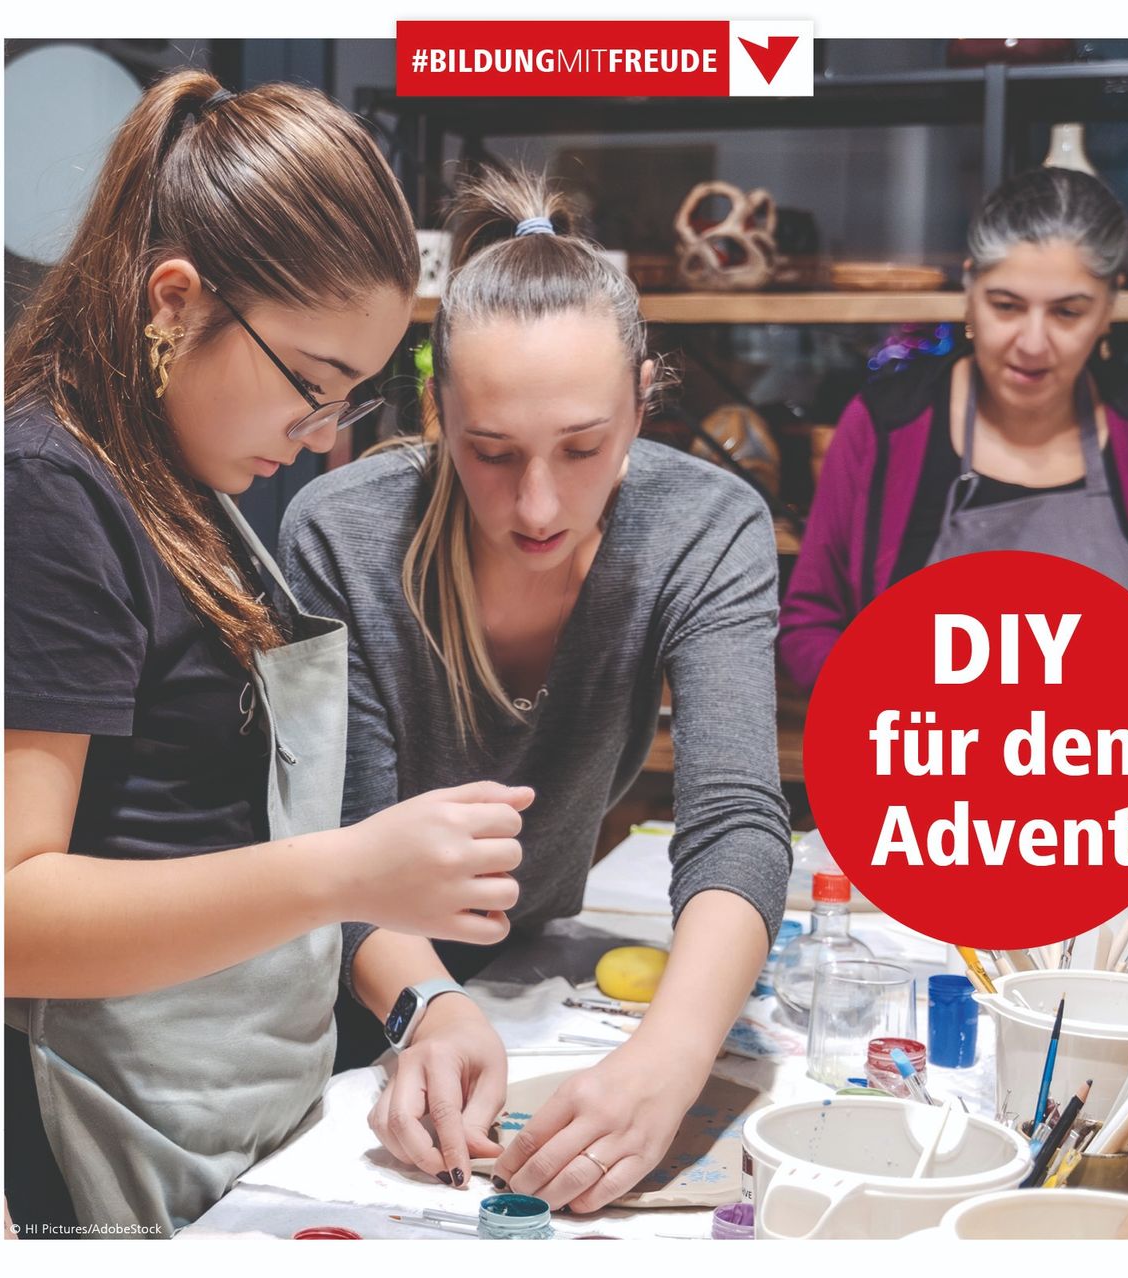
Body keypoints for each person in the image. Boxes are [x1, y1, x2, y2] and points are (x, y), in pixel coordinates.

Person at [5, 70, 532, 1237]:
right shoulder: (49, 492)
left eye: (350, 398)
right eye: (310, 384)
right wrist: (351, 870)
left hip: (237, 1129)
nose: (316, 435)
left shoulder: (193, 483)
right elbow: (6, 914)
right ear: (177, 300)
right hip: (95, 1146)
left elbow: (256, 836)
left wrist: (425, 1004)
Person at [279, 167, 793, 1213]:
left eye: (584, 448)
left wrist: (675, 1055)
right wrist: (428, 1008)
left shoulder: (706, 526)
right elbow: (339, 843)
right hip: (359, 1003)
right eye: (493, 454)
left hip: (545, 976)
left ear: (644, 398)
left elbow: (736, 814)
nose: (540, 504)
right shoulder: (344, 533)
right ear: (437, 408)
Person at [779, 167, 1128, 736]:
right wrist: (890, 710)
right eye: (1006, 305)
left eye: (1067, 312)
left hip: (1121, 801)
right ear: (970, 291)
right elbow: (810, 621)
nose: (1032, 343)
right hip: (922, 796)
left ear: (1109, 306)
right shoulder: (885, 427)